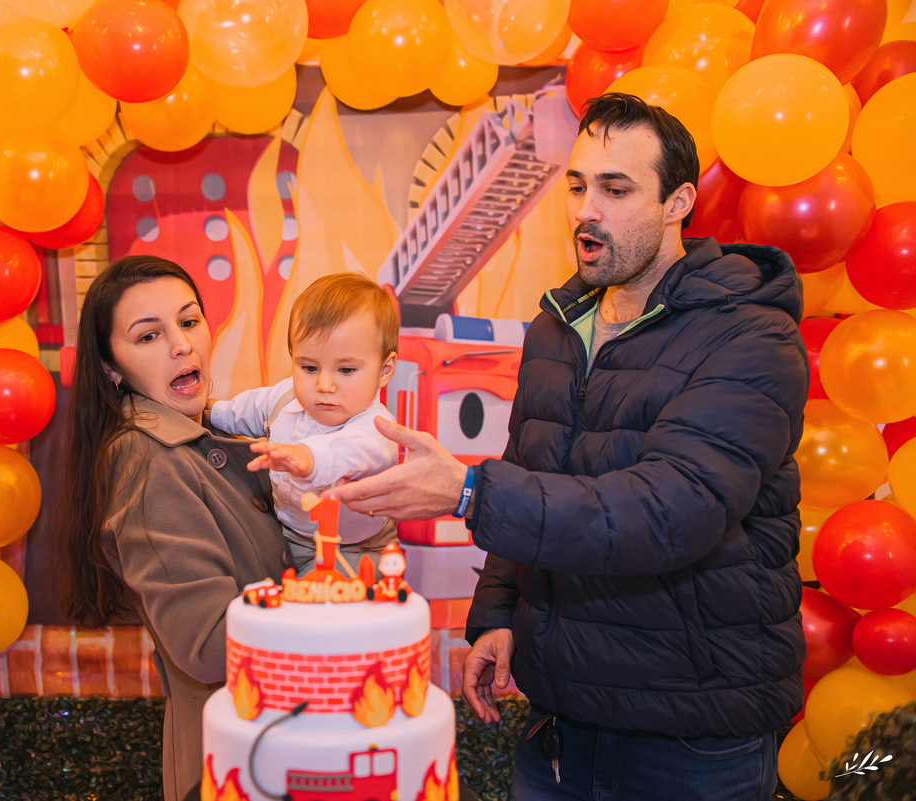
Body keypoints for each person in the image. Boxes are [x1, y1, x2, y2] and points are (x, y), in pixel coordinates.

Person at [326, 93, 807, 800]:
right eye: (578, 185)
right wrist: (496, 612)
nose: (586, 210)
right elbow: (533, 469)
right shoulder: (558, 328)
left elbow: (670, 510)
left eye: (616, 189)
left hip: (692, 737)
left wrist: (466, 490)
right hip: (560, 724)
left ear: (679, 202)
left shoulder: (751, 336)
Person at [55, 255, 291, 801]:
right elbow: (209, 644)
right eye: (148, 336)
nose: (182, 345)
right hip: (238, 759)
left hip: (278, 739)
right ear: (113, 367)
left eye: (188, 322)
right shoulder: (146, 460)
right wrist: (328, 600)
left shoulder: (212, 435)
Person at [209, 272, 400, 574]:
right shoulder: (285, 396)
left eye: (346, 370)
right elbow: (246, 409)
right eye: (309, 367)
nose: (324, 384)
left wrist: (307, 458)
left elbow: (346, 451)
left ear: (384, 370)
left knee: (326, 610)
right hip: (288, 534)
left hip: (353, 547)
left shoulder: (376, 427)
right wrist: (211, 412)